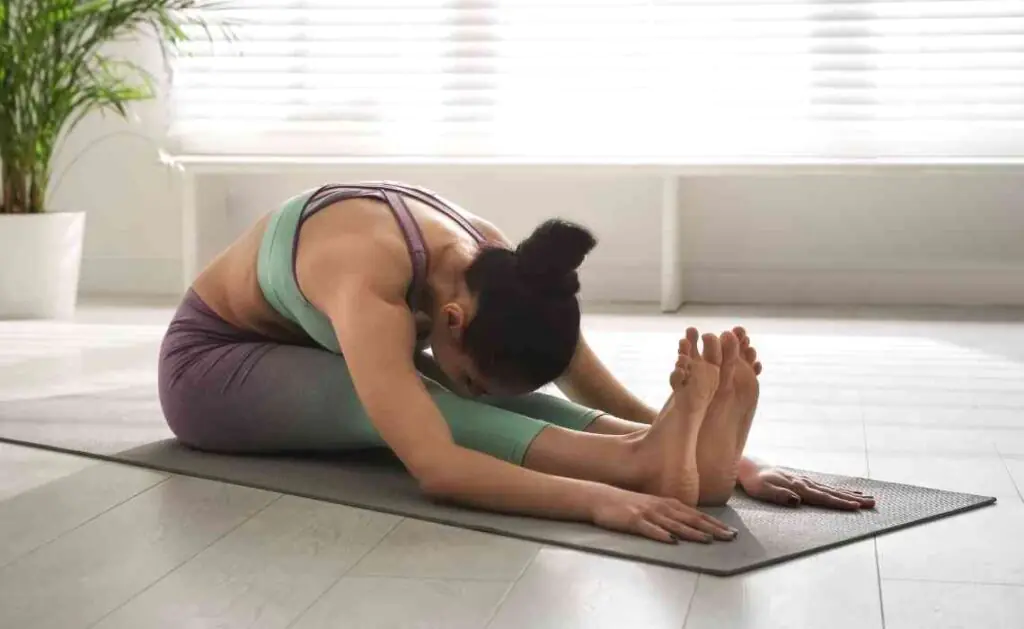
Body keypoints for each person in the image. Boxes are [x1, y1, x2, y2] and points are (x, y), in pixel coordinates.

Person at [158, 181, 874, 545]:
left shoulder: (504, 270)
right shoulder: (367, 280)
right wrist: (603, 501)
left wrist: (732, 461)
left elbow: (579, 378)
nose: (472, 374)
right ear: (452, 320)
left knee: (476, 395)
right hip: (214, 367)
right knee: (432, 403)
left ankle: (658, 454)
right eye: (469, 361)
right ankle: (636, 467)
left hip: (304, 351)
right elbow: (436, 465)